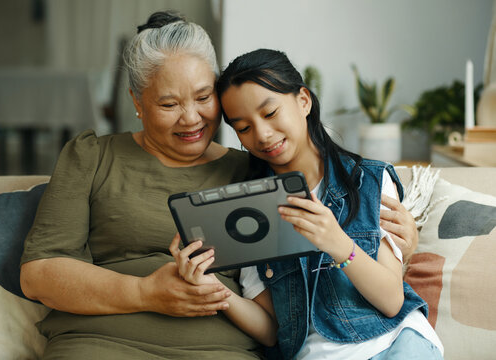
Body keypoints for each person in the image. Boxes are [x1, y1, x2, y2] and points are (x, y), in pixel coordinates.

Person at [19, 10, 419, 359]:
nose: (191, 118)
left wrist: (401, 245)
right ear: (137, 103)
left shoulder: (256, 170)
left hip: (220, 350)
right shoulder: (92, 157)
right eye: (169, 104)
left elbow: (336, 212)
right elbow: (39, 274)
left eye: (203, 97)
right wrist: (146, 293)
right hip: (101, 345)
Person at [172, 48, 443, 359]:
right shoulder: (248, 209)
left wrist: (336, 241)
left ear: (303, 100)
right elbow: (272, 330)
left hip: (396, 344)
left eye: (270, 113)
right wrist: (214, 291)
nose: (262, 134)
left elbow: (391, 300)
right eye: (243, 128)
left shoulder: (368, 181)